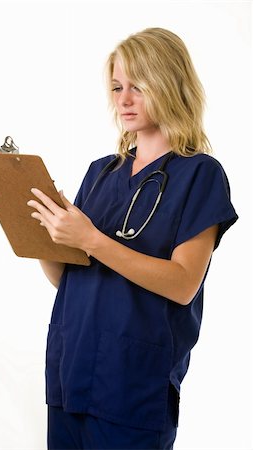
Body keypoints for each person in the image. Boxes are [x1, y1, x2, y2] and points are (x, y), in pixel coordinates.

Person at [27, 27, 238, 450]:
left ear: (170, 85)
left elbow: (182, 284)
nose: (123, 100)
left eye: (138, 87)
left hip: (132, 384)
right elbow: (69, 280)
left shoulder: (200, 175)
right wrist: (43, 233)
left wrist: (91, 239)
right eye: (117, 87)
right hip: (72, 370)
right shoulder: (101, 172)